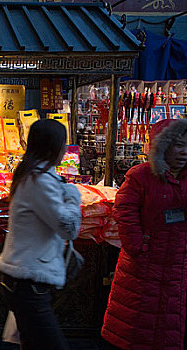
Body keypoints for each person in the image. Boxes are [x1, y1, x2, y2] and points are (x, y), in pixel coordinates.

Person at [0, 119, 82, 350]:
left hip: (23, 278)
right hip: (29, 281)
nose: (65, 150)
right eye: (64, 144)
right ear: (55, 147)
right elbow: (68, 227)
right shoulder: (40, 180)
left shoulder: (30, 174)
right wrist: (73, 196)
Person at [102, 118, 187, 349]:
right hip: (143, 263)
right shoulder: (140, 175)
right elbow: (124, 210)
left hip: (179, 264)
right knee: (137, 322)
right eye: (178, 145)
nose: (184, 152)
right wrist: (137, 246)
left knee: (171, 324)